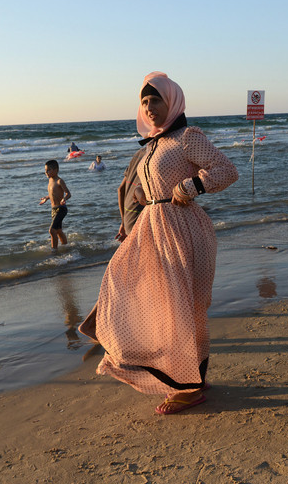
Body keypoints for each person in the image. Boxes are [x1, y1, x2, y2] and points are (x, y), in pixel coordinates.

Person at [79, 72, 239, 415]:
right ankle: (190, 377)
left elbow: (226, 170)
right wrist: (143, 197)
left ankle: (189, 386)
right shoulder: (154, 143)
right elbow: (149, 186)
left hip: (183, 231)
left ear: (173, 102)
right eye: (145, 101)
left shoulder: (187, 136)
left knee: (183, 308)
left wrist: (191, 187)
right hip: (153, 228)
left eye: (156, 100)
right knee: (131, 287)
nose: (150, 107)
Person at [115, 146, 147, 242]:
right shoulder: (156, 155)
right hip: (141, 218)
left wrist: (124, 222)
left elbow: (120, 189)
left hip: (129, 218)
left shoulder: (138, 154)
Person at [39, 160, 72, 249]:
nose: (46, 172)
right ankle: (66, 246)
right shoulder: (50, 181)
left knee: (52, 230)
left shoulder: (59, 181)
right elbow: (53, 194)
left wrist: (64, 199)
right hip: (53, 210)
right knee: (58, 231)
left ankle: (54, 251)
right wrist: (47, 198)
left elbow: (68, 193)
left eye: (48, 170)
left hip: (61, 209)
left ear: (56, 170)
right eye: (45, 170)